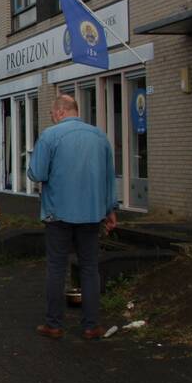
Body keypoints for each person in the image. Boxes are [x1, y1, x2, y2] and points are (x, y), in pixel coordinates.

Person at [28, 94, 117, 340]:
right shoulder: (100, 136)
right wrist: (110, 210)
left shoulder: (50, 136)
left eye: (51, 114)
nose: (52, 118)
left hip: (58, 213)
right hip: (91, 214)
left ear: (59, 112)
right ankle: (91, 325)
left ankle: (54, 324)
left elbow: (36, 173)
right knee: (90, 268)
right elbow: (110, 177)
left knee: (56, 268)